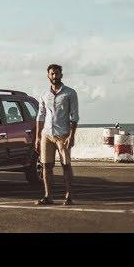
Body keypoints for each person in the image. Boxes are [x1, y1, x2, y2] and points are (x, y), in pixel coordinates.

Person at [35, 64, 79, 206]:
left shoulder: (70, 93)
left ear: (61, 75)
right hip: (46, 134)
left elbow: (74, 116)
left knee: (66, 164)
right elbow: (40, 116)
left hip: (63, 134)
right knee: (46, 165)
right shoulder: (44, 94)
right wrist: (37, 137)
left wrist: (71, 136)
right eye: (52, 74)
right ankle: (48, 196)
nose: (54, 76)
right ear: (48, 75)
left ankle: (69, 196)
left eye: (57, 73)